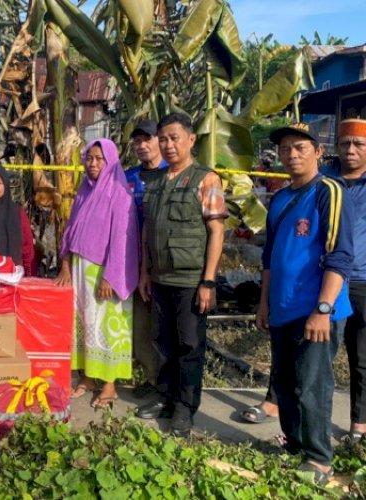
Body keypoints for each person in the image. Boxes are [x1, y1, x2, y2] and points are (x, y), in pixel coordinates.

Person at [255, 122, 353, 484]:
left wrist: (323, 310)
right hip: (282, 306)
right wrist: (263, 304)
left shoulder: (328, 191)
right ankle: (294, 446)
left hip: (316, 311)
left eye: (300, 148)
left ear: (317, 151)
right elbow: (268, 257)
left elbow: (338, 256)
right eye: (285, 149)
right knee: (284, 383)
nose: (291, 155)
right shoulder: (279, 197)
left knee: (313, 385)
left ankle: (320, 459)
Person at [134, 113, 227, 437]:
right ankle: (165, 396)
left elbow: (216, 231)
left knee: (189, 345)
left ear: (191, 140)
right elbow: (147, 229)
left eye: (174, 138)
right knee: (162, 342)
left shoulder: (206, 179)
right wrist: (145, 272)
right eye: (163, 139)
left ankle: (185, 408)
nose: (168, 144)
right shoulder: (156, 182)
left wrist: (208, 281)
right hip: (159, 278)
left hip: (190, 282)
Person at [55, 139, 139, 408]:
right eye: (89, 158)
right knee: (85, 324)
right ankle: (89, 377)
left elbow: (123, 240)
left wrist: (111, 277)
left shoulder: (119, 193)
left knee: (107, 327)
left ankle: (109, 384)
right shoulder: (84, 191)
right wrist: (66, 265)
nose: (92, 164)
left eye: (98, 159)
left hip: (105, 272)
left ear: (110, 161)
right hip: (81, 270)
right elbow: (70, 233)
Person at [325, 118, 366, 441]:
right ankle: (311, 420)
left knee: (362, 357)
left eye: (359, 145)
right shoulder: (325, 181)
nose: (350, 150)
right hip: (329, 279)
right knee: (320, 353)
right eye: (344, 144)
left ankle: (359, 426)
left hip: (364, 280)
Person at [125, 120, 168, 397]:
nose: (141, 146)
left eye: (147, 140)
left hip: (164, 262)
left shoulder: (173, 174)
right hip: (132, 261)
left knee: (162, 328)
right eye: (137, 141)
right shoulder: (128, 177)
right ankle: (151, 379)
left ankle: (164, 384)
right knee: (140, 327)